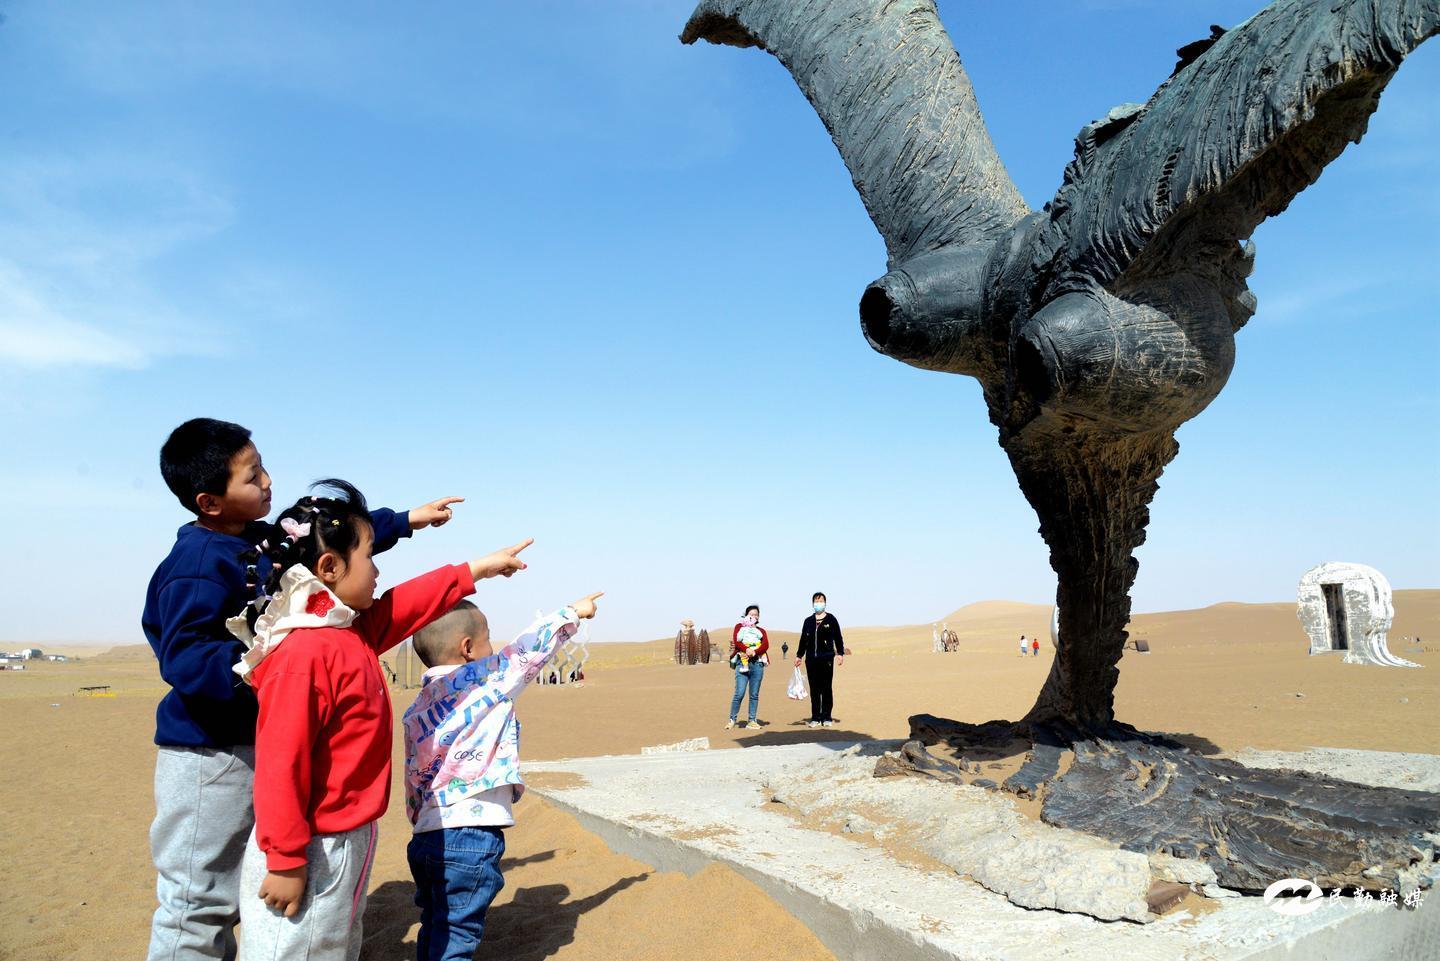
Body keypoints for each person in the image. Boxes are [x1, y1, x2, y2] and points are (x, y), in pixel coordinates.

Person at [141, 418, 459, 961]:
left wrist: (405, 521)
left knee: (257, 886)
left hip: (264, 738)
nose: (268, 482)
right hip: (209, 751)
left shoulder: (263, 540)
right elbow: (185, 657)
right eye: (252, 476)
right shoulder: (197, 566)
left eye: (263, 467)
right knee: (199, 900)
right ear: (209, 501)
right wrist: (276, 668)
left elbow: (328, 539)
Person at [234, 480, 532, 961]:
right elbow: (279, 765)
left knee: (332, 946)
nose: (377, 570)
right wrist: (286, 860)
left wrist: (478, 568)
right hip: (309, 845)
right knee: (295, 950)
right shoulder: (304, 653)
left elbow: (407, 604)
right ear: (329, 567)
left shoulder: (349, 633)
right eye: (371, 555)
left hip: (347, 839)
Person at [403, 591, 603, 961]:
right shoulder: (483, 681)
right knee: (458, 935)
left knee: (436, 922)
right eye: (487, 638)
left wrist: (418, 820)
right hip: (469, 838)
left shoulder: (418, 706)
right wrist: (573, 612)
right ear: (467, 648)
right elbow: (529, 650)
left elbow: (414, 774)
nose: (493, 648)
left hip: (426, 839)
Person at [794, 591, 843, 728]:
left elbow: (838, 637)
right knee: (814, 689)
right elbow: (803, 640)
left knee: (826, 688)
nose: (818, 603)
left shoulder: (831, 619)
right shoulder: (808, 621)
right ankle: (815, 717)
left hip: (826, 658)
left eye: (821, 601)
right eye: (816, 601)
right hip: (811, 659)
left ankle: (827, 716)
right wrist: (799, 655)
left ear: (825, 603)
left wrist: (840, 653)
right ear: (812, 604)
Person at [726, 604, 770, 730]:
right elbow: (737, 641)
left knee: (754, 694)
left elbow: (765, 645)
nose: (753, 616)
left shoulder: (761, 631)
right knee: (739, 693)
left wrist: (754, 652)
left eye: (756, 614)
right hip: (742, 663)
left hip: (757, 664)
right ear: (746, 615)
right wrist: (747, 649)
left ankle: (752, 720)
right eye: (751, 614)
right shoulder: (739, 627)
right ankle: (732, 719)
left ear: (759, 617)